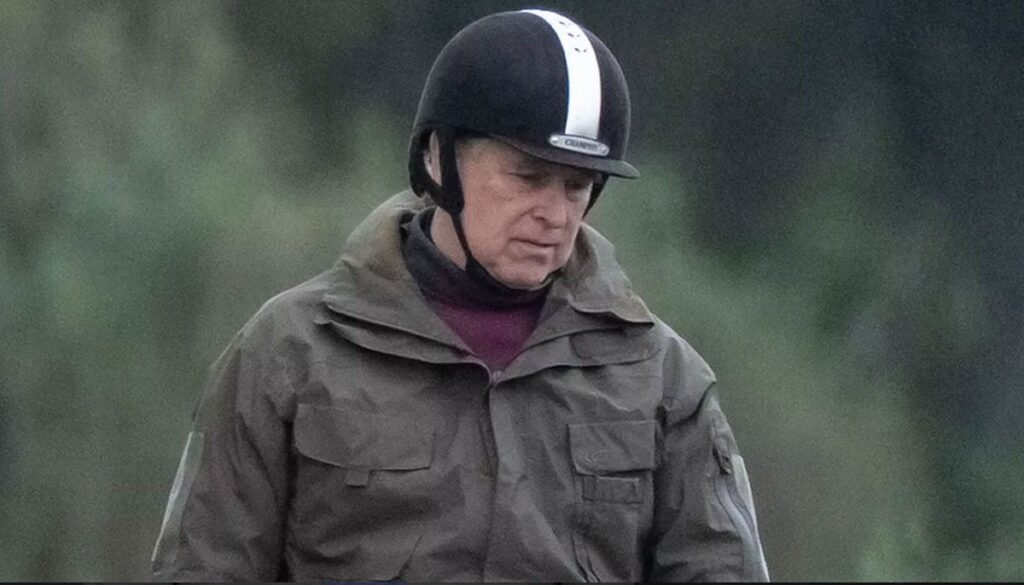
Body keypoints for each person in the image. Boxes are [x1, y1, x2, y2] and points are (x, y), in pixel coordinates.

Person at [151, 8, 769, 582]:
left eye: (577, 186)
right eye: (528, 177)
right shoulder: (288, 354)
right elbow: (202, 568)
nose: (555, 214)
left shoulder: (664, 379)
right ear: (438, 160)